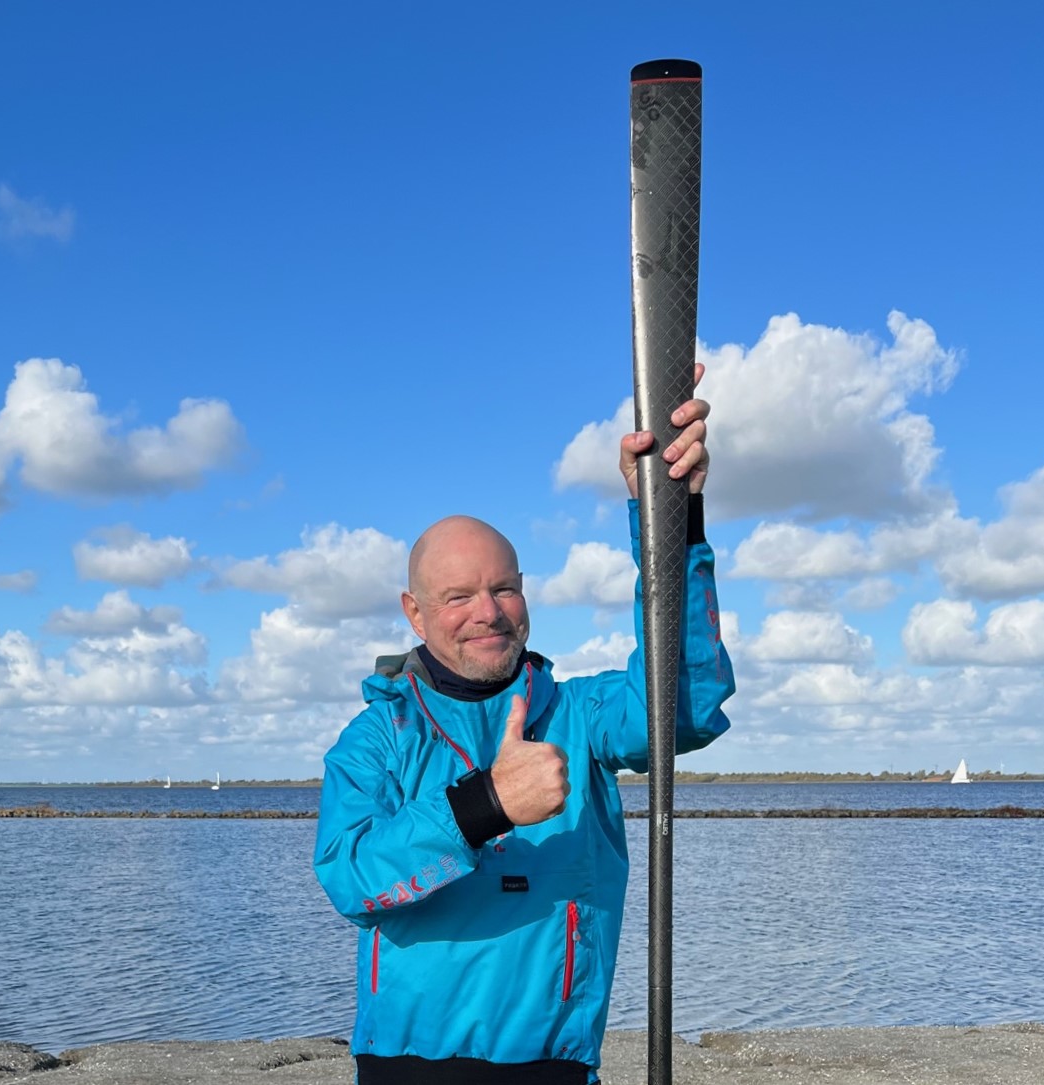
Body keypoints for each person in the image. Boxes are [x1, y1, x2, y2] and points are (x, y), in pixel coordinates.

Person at [312, 367, 735, 1085]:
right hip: (405, 1063)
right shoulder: (377, 736)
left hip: (553, 1062)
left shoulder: (582, 715)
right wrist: (486, 805)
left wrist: (673, 518)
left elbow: (685, 708)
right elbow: (350, 877)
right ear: (414, 612)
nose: (488, 610)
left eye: (503, 587)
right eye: (458, 595)